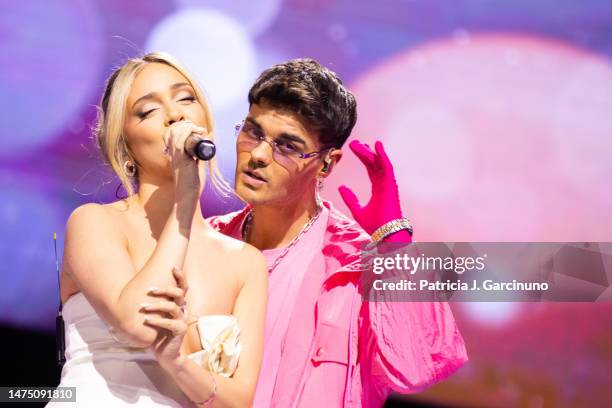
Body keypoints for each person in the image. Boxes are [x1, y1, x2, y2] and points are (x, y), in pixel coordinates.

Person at [207, 59, 469, 407]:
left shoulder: (359, 266)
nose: (257, 155)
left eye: (286, 146)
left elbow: (418, 369)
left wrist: (395, 246)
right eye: (254, 132)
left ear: (327, 163)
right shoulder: (207, 242)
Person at [50, 52, 267, 407]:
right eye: (148, 111)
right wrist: (185, 197)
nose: (176, 115)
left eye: (186, 99)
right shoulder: (95, 222)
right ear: (125, 147)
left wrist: (178, 363)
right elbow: (136, 325)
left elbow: (238, 400)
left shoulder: (245, 262)